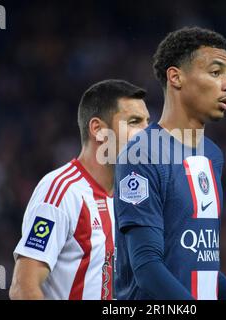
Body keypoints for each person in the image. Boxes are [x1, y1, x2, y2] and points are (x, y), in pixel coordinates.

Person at [114, 27, 226, 300]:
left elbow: (197, 266)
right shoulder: (142, 155)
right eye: (216, 73)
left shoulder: (212, 156)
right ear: (176, 77)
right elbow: (147, 268)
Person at [9, 79, 150, 300]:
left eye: (146, 123)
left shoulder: (134, 198)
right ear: (98, 129)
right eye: (134, 122)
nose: (147, 133)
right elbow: (23, 288)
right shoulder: (61, 191)